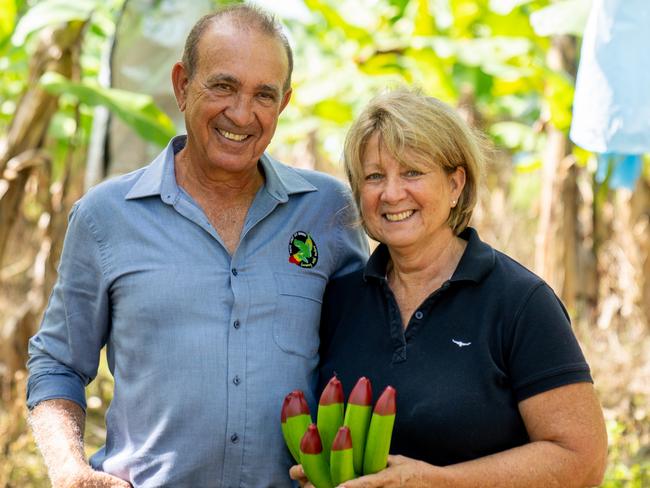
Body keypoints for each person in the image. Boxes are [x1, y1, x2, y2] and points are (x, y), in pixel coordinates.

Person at [26, 5, 368, 488]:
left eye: (263, 95)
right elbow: (58, 362)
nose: (242, 113)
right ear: (183, 84)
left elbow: (366, 348)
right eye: (223, 86)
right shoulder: (106, 217)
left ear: (284, 103)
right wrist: (69, 469)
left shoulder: (327, 211)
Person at [291, 89, 608, 487]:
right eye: (374, 176)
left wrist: (441, 482)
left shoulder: (520, 302)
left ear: (455, 183)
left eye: (412, 172)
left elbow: (582, 460)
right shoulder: (339, 299)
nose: (391, 194)